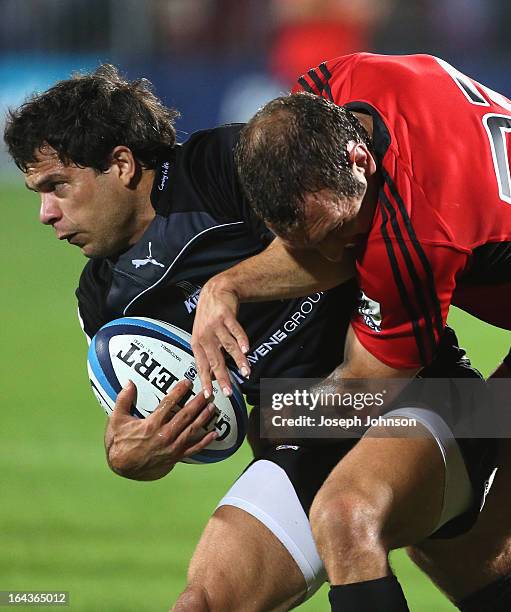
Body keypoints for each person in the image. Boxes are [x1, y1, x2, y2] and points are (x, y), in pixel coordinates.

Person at [4, 63, 506, 612]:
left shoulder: (229, 166)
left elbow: (347, 263)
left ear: (121, 165)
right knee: (202, 604)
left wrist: (231, 291)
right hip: (309, 430)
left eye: (57, 187)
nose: (45, 213)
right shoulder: (103, 303)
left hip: (418, 392)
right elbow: (144, 405)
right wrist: (131, 451)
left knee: (348, 521)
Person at [190, 53, 511, 611]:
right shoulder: (335, 81)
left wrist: (254, 418)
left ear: (360, 159)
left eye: (341, 229)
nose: (340, 254)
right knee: (455, 545)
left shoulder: (417, 232)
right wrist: (225, 286)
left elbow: (365, 391)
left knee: (372, 517)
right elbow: (331, 245)